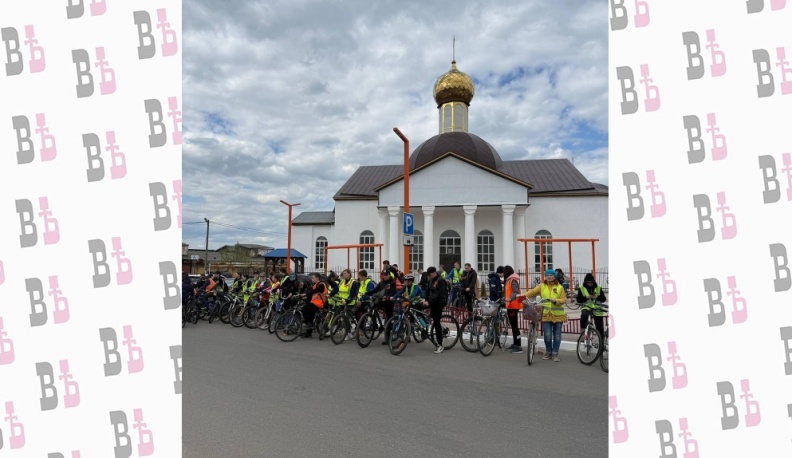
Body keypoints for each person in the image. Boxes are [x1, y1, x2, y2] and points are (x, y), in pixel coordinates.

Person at [524, 269, 567, 361]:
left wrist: (556, 301)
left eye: (551, 275)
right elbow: (532, 292)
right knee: (547, 335)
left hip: (558, 314)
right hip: (546, 314)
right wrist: (523, 295)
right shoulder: (542, 286)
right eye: (547, 275)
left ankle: (555, 353)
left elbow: (564, 300)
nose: (549, 277)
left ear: (554, 276)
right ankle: (548, 352)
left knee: (557, 335)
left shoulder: (560, 287)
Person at [422, 266, 448, 354]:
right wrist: (424, 299)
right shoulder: (431, 280)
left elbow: (439, 294)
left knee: (436, 323)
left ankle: (440, 345)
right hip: (432, 301)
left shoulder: (440, 280)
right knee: (420, 309)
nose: (428, 277)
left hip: (439, 302)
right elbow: (427, 290)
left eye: (429, 275)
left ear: (433, 273)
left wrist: (429, 302)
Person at [577, 273, 607, 339]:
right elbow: (578, 300)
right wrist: (586, 297)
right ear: (585, 282)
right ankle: (583, 331)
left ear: (593, 282)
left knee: (599, 327)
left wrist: (597, 297)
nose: (590, 284)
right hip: (587, 306)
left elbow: (604, 299)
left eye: (591, 282)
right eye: (588, 282)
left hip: (597, 308)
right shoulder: (581, 287)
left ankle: (601, 342)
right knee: (584, 315)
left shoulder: (598, 287)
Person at [300, 273, 327, 338]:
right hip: (315, 302)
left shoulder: (321, 285)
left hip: (321, 303)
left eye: (313, 278)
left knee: (306, 308)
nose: (312, 279)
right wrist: (302, 296)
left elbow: (315, 291)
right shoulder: (315, 285)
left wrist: (304, 294)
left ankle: (310, 324)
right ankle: (308, 331)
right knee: (305, 309)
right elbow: (311, 294)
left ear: (317, 278)